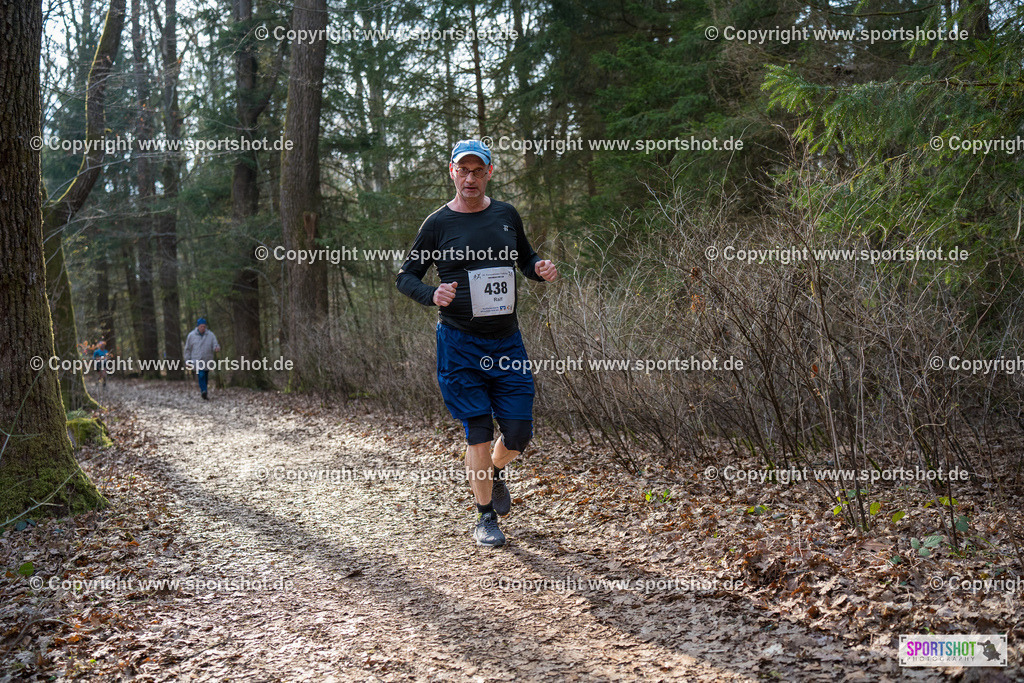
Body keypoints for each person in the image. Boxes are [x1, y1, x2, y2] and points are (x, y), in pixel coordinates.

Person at [396, 139, 558, 547]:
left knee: (519, 433)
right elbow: (406, 277)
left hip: (507, 343)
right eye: (463, 170)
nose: (470, 178)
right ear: (451, 172)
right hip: (459, 343)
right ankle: (485, 517)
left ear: (489, 172)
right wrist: (431, 293)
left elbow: (525, 258)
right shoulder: (438, 224)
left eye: (478, 170)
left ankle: (493, 470)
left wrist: (538, 269)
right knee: (478, 432)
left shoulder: (506, 215)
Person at [183, 318, 220, 400]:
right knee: (201, 374)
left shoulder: (211, 335)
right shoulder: (191, 335)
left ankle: (204, 391)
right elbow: (187, 349)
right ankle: (203, 391)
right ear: (198, 327)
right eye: (201, 326)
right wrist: (187, 360)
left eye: (204, 326)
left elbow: (215, 344)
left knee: (205, 376)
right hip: (197, 360)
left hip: (207, 359)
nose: (203, 328)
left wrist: (216, 348)